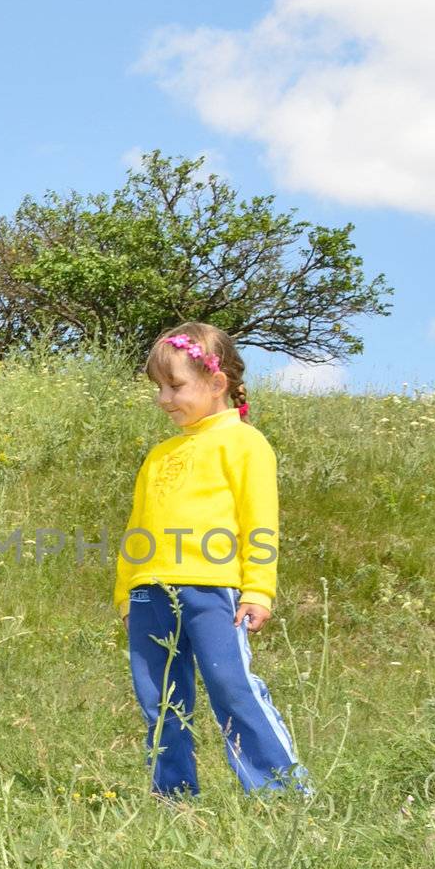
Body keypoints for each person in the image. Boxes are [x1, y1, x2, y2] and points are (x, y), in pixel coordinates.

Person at [113, 322, 309, 798]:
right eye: (158, 387)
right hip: (148, 592)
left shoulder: (245, 443)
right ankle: (174, 797)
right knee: (159, 700)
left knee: (231, 688)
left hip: (213, 589)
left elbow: (260, 521)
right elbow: (137, 529)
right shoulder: (159, 454)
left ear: (217, 383)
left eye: (175, 386)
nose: (163, 398)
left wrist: (259, 588)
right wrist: (125, 593)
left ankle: (280, 794)